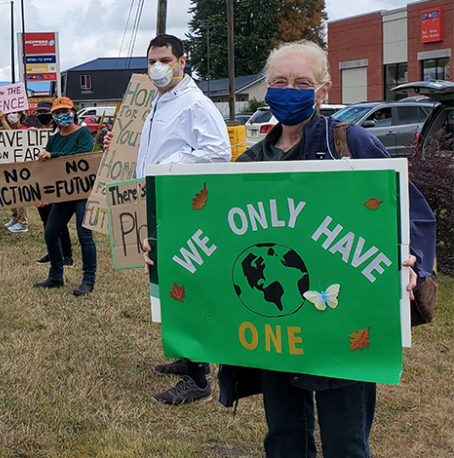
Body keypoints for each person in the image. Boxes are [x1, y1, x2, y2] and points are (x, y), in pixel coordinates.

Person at [143, 40, 436, 458]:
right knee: (284, 439)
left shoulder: (348, 144)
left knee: (345, 444)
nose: (289, 89)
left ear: (323, 90)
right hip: (275, 329)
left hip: (340, 322)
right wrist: (164, 253)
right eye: (279, 81)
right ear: (266, 89)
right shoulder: (249, 163)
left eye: (302, 82)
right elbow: (210, 233)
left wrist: (413, 262)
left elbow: (409, 210)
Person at [104, 34, 231, 405]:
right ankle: (187, 355)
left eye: (164, 60)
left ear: (182, 60)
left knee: (184, 284)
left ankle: (198, 377)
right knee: (167, 283)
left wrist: (167, 170)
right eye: (151, 61)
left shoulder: (195, 104)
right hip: (158, 204)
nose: (157, 67)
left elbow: (218, 153)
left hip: (182, 208)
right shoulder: (159, 102)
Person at [33, 97, 96, 296]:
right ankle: (56, 276)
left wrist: (54, 155)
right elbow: (49, 169)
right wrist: (45, 192)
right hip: (62, 192)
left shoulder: (84, 133)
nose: (62, 116)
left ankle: (88, 280)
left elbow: (82, 156)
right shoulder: (54, 138)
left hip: (82, 192)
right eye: (57, 113)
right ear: (53, 116)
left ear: (73, 112)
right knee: (51, 233)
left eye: (65, 111)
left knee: (84, 234)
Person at [34, 100, 73, 266]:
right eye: (39, 113)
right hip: (40, 178)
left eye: (46, 113)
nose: (43, 116)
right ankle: (53, 251)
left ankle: (67, 255)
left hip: (57, 179)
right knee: (46, 219)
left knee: (57, 219)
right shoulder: (36, 133)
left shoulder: (62, 132)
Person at [0, 109, 31, 233]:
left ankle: (23, 222)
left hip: (21, 168)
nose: (10, 116)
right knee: (10, 193)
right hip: (8, 166)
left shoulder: (24, 129)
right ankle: (15, 217)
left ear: (20, 115)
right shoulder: (4, 127)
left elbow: (12, 138)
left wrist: (3, 119)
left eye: (14, 113)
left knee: (20, 194)